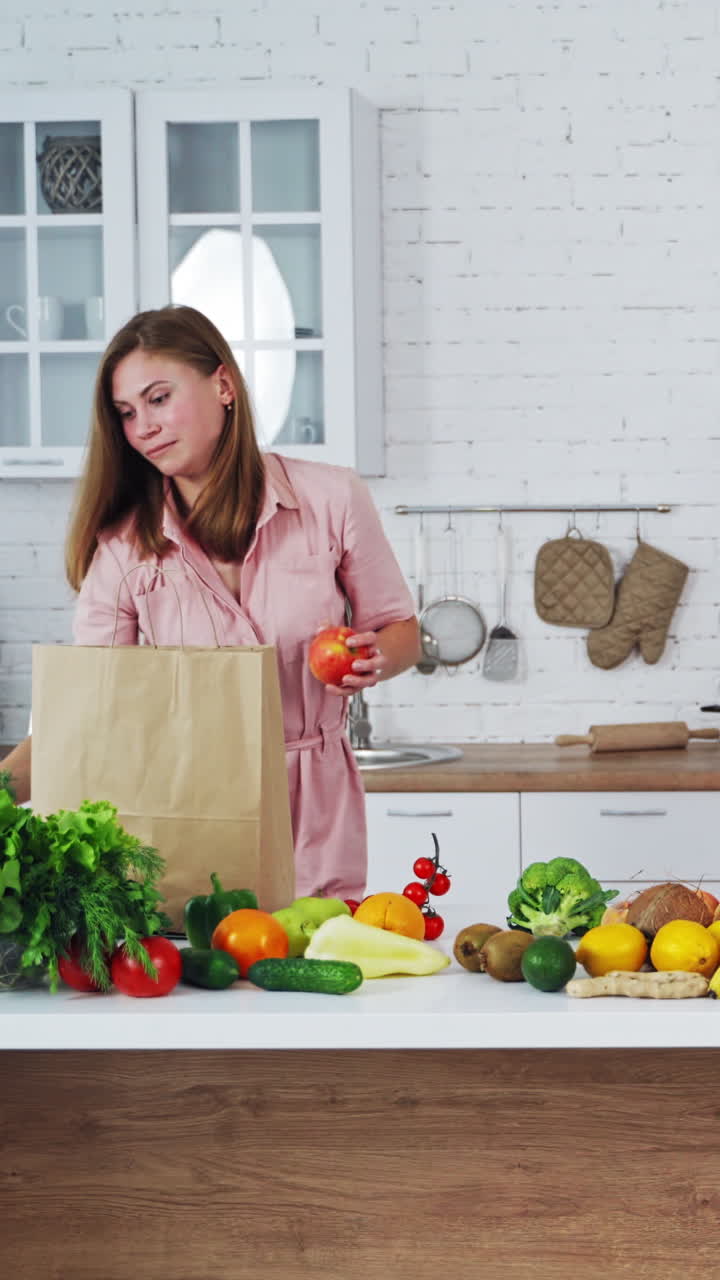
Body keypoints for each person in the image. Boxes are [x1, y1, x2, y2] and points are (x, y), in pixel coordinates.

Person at [0, 305, 420, 900]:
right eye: (126, 413)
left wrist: (380, 656)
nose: (142, 426)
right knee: (210, 980)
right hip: (192, 812)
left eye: (159, 398)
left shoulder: (332, 498)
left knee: (318, 966)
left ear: (223, 385)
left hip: (317, 808)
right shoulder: (123, 547)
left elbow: (401, 630)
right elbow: (84, 714)